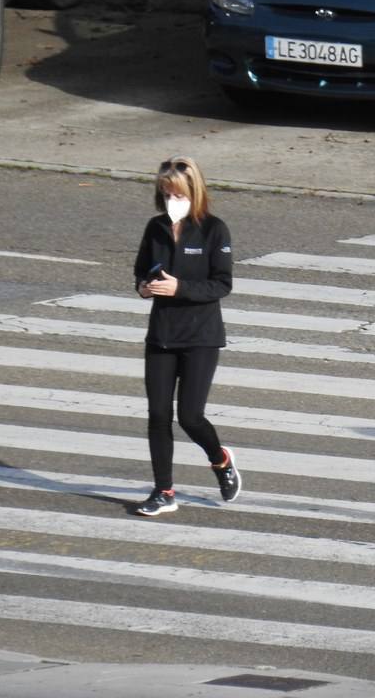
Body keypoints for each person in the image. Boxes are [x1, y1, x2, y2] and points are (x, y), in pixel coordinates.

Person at [133, 156, 242, 516]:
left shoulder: (214, 230)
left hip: (201, 337)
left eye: (177, 194)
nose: (171, 201)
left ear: (194, 193)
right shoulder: (155, 228)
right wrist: (145, 288)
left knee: (190, 416)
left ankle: (220, 459)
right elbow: (140, 274)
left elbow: (222, 284)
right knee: (158, 414)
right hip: (162, 336)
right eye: (165, 194)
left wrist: (180, 288)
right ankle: (163, 491)